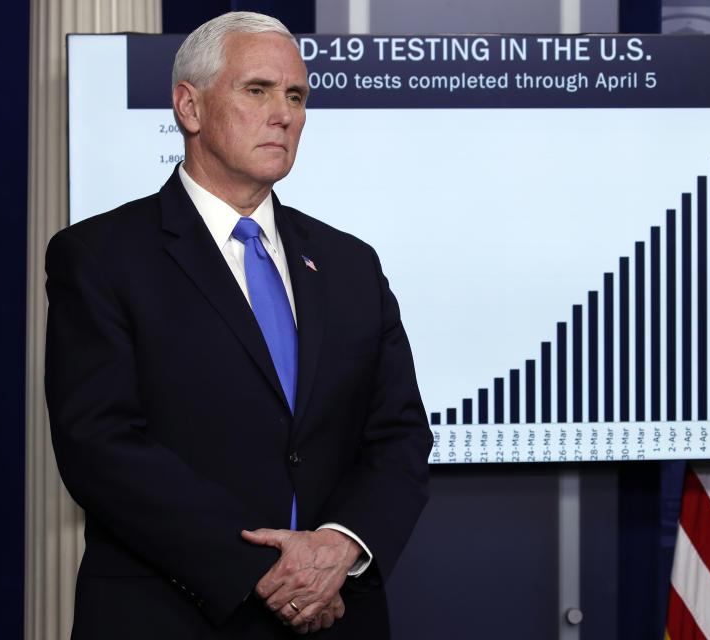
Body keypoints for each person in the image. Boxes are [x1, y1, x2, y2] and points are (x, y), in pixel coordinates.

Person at [45, 11, 431, 638]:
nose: (284, 114)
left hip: (336, 615)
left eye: (297, 95)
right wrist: (264, 570)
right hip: (173, 614)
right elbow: (100, 444)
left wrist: (338, 548)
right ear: (189, 108)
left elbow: (400, 433)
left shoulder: (350, 262)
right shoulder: (99, 255)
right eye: (258, 90)